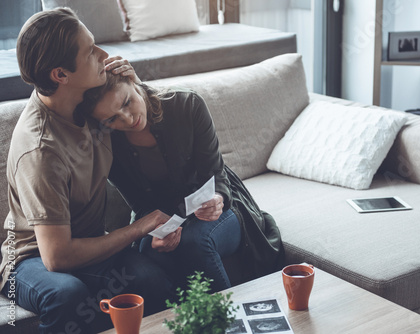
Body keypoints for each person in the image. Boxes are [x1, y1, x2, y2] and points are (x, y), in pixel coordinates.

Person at [0, 8, 177, 333]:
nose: (104, 54)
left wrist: (131, 82)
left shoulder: (87, 101)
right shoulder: (41, 148)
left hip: (88, 240)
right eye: (90, 51)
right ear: (60, 75)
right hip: (30, 257)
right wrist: (139, 228)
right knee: (67, 293)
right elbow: (57, 257)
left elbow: (143, 115)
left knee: (151, 278)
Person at [76, 72, 285, 292]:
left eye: (127, 102)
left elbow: (216, 175)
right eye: (111, 119)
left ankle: (222, 323)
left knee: (195, 241)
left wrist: (217, 199)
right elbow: (140, 205)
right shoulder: (109, 144)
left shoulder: (186, 104)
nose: (127, 119)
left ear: (133, 82)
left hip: (221, 205)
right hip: (164, 215)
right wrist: (154, 234)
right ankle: (183, 322)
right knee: (150, 251)